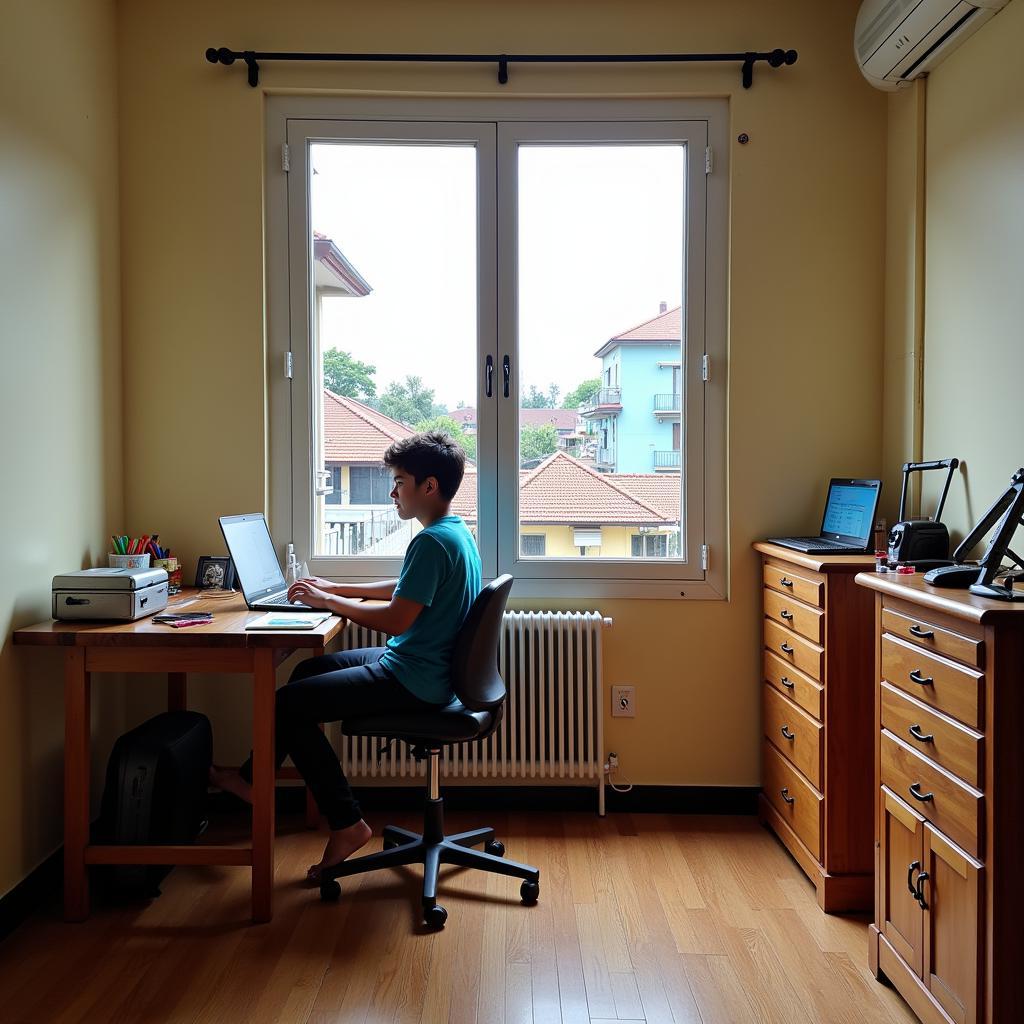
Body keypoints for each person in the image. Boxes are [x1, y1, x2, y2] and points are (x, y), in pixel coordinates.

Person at [210, 432, 481, 881]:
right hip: (424, 668)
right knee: (307, 671)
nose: (393, 492)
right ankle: (253, 781)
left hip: (415, 680)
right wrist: (338, 588)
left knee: (287, 705)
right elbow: (405, 590)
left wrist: (328, 604)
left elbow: (396, 619)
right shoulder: (453, 532)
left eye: (399, 482)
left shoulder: (431, 542)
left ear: (428, 487)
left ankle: (347, 822)